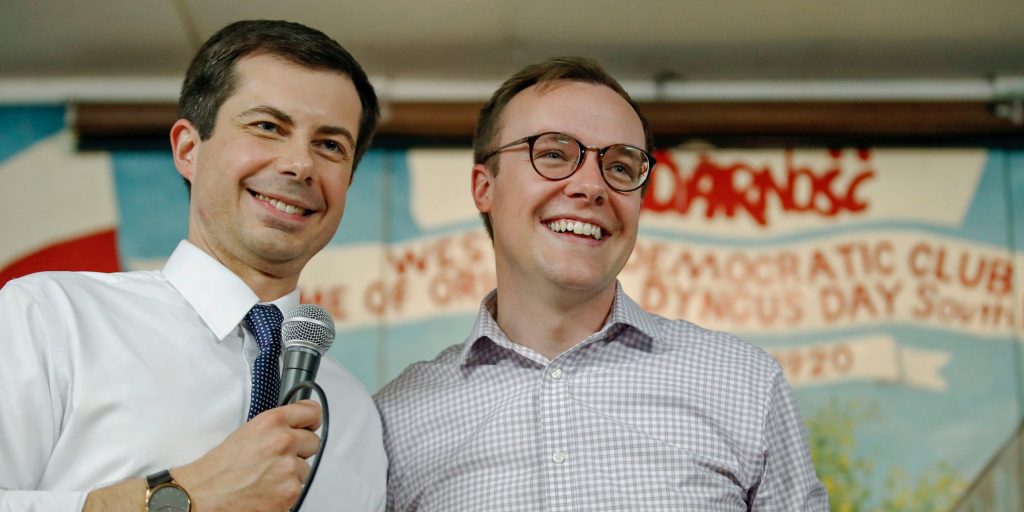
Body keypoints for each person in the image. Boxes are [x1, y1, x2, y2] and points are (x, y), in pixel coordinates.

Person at [374, 57, 828, 511]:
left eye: (621, 167)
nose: (592, 186)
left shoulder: (744, 384)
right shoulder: (394, 422)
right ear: (484, 188)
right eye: (553, 155)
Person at [0, 20, 386, 512]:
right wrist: (183, 497)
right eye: (268, 127)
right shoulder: (53, 319)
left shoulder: (354, 416)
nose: (300, 164)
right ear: (188, 149)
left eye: (330, 145)